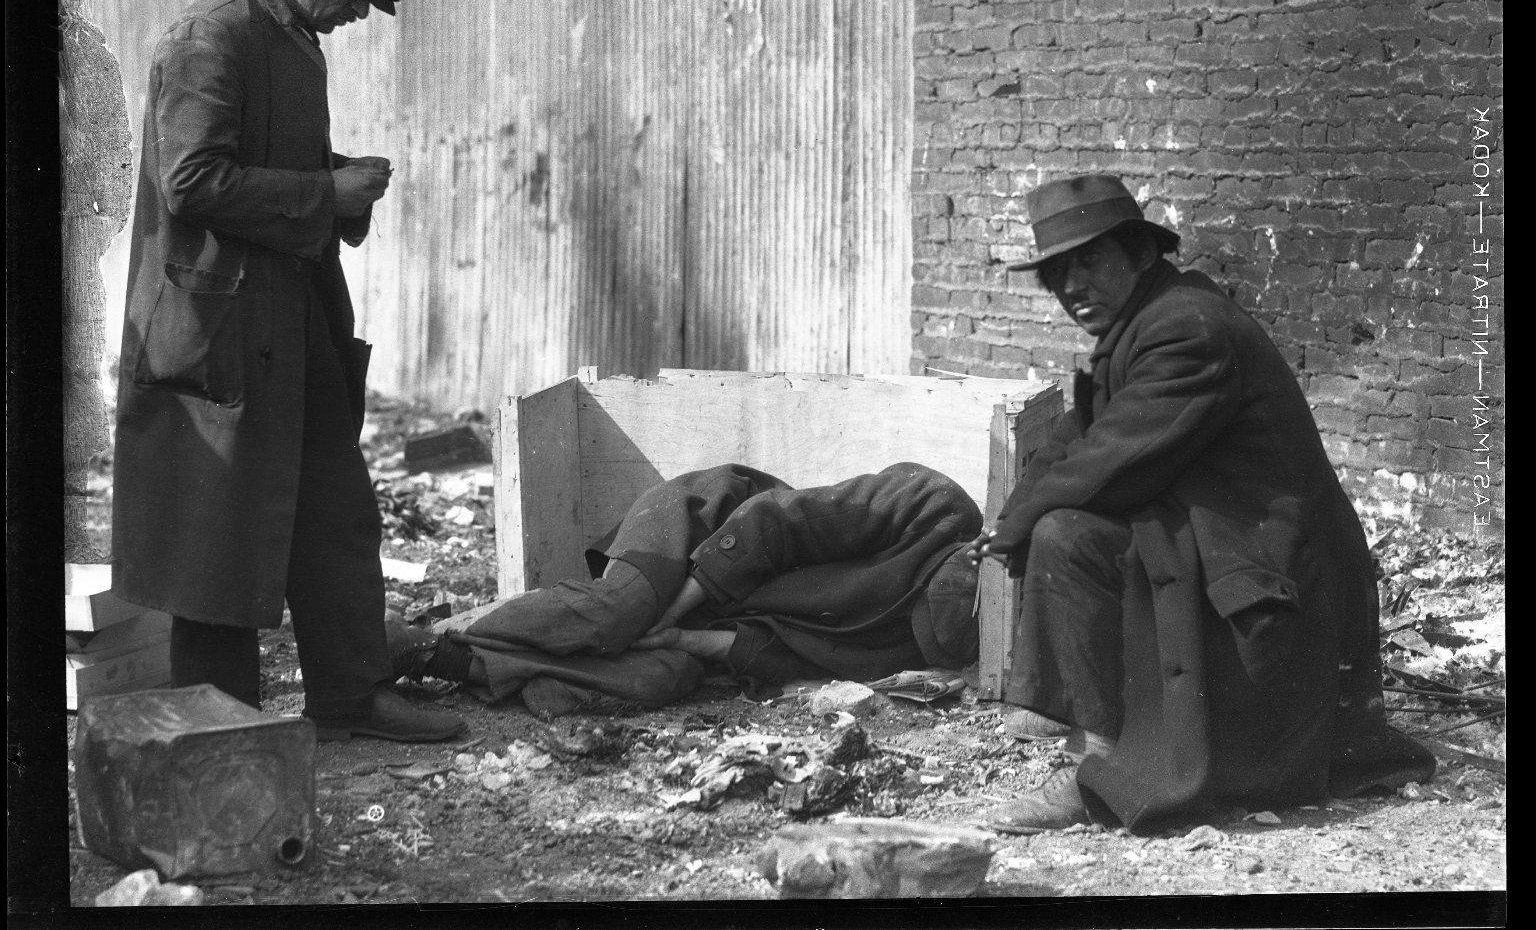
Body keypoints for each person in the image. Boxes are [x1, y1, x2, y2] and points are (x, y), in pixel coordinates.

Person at [970, 174, 1433, 834]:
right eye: (1057, 272)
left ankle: (1096, 766)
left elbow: (1111, 460)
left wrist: (1015, 528)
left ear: (1138, 252)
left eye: (1089, 261)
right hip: (1232, 560)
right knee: (1060, 523)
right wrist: (1006, 518)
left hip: (1278, 593)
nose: (1072, 287)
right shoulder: (1145, 324)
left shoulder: (1186, 329)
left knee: (1065, 534)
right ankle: (1087, 710)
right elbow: (1079, 436)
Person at [111, 0, 465, 742]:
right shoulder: (212, 35)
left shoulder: (291, 33)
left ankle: (350, 694)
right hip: (216, 335)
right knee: (219, 536)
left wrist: (339, 183)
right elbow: (191, 181)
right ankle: (222, 730)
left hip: (291, 319)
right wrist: (324, 190)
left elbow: (257, 163)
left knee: (336, 508)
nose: (357, 15)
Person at [386, 462, 983, 716]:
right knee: (618, 612)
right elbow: (772, 524)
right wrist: (666, 612)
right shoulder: (932, 506)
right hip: (701, 528)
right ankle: (436, 631)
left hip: (717, 612)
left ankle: (441, 657)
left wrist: (674, 639)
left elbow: (771, 655)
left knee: (656, 676)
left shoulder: (918, 651)